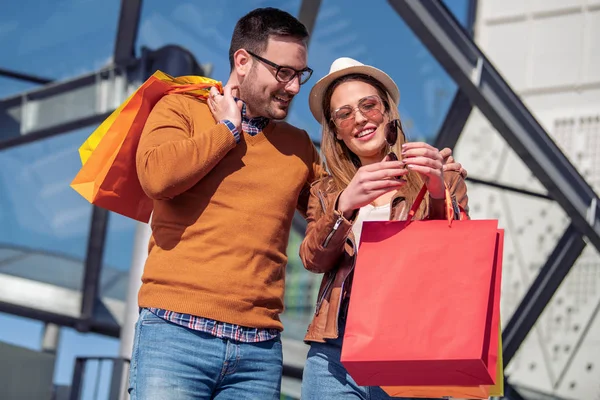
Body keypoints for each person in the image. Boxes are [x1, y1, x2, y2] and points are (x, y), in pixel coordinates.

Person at [129, 6, 466, 399]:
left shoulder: (297, 148)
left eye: (299, 75)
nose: (293, 87)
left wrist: (438, 187)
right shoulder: (180, 108)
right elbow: (157, 178)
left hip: (257, 351)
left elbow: (327, 220)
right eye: (283, 72)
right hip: (175, 334)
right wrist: (226, 130)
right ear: (242, 61)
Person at [299, 57, 470, 400]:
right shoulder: (328, 191)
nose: (360, 118)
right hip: (336, 351)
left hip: (414, 348)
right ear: (335, 131)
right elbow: (313, 259)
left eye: (368, 105)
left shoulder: (438, 173)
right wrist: (345, 205)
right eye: (344, 113)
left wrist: (437, 190)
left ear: (388, 112)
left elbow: (460, 251)